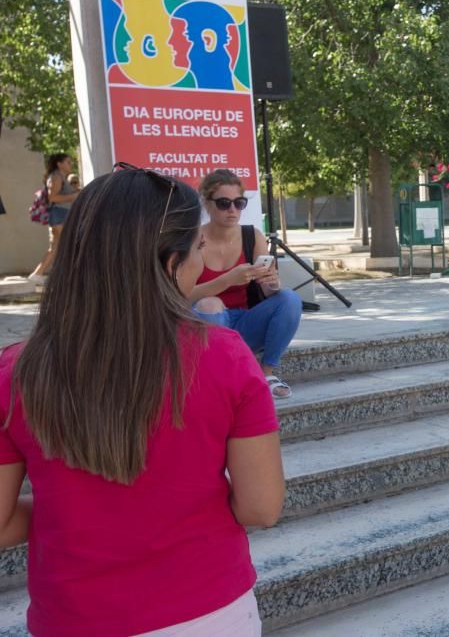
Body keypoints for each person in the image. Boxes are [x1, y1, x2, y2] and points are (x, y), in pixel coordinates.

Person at [0, 165, 285, 635]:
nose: (201, 260)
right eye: (196, 248)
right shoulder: (226, 358)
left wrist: (70, 507)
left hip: (72, 618)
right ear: (171, 263)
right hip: (208, 610)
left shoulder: (16, 372)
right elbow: (261, 507)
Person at [190, 169, 301, 399]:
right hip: (203, 324)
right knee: (211, 304)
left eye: (238, 203)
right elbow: (181, 295)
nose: (232, 210)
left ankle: (266, 372)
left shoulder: (253, 236)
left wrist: (271, 283)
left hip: (243, 320)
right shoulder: (192, 240)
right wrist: (226, 280)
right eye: (223, 203)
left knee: (289, 298)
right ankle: (221, 378)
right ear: (206, 203)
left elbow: (269, 293)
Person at [28, 154, 79, 285]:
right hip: (59, 215)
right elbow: (53, 198)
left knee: (58, 246)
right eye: (68, 162)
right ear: (59, 163)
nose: (70, 164)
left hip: (62, 215)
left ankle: (41, 274)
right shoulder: (56, 177)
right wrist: (75, 195)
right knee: (58, 246)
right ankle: (39, 274)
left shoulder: (60, 177)